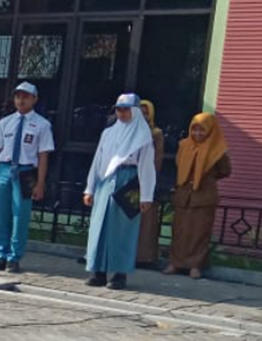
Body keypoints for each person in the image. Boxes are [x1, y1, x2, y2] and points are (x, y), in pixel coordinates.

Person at [83, 93, 156, 291]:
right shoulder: (108, 133)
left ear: (135, 111)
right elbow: (98, 161)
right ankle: (98, 271)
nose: (122, 113)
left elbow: (146, 166)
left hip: (129, 180)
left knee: (123, 229)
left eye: (126, 110)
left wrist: (146, 195)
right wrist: (90, 188)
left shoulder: (143, 135)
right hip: (106, 180)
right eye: (119, 109)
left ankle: (118, 274)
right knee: (100, 226)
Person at [0, 82, 54, 274]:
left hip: (26, 171)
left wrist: (40, 182)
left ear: (34, 99)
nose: (21, 100)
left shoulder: (42, 125)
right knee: (0, 213)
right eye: (18, 96)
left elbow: (43, 155)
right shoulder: (5, 122)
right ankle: (1, 254)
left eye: (25, 96)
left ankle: (14, 258)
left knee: (20, 215)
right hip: (4, 169)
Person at [164, 113, 231, 280]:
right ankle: (175, 263)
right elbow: (179, 164)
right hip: (184, 196)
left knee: (199, 233)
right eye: (194, 130)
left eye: (202, 130)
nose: (198, 134)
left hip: (204, 197)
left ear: (210, 130)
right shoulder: (184, 145)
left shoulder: (218, 149)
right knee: (179, 231)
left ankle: (195, 266)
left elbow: (225, 171)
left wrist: (206, 178)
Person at [135, 99, 165, 269]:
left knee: (146, 222)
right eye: (140, 112)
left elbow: (157, 158)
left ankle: (144, 257)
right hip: (130, 179)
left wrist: (149, 178)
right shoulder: (130, 130)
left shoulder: (156, 133)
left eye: (146, 113)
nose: (143, 116)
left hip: (147, 180)